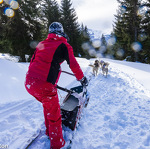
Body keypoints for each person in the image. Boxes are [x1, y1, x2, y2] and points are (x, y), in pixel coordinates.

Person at [25, 22, 88, 149]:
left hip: (29, 83)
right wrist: (82, 79)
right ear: (61, 31)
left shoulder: (42, 43)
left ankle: (49, 131)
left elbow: (33, 62)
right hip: (44, 85)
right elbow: (73, 64)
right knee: (54, 114)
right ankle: (57, 144)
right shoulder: (64, 45)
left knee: (47, 105)